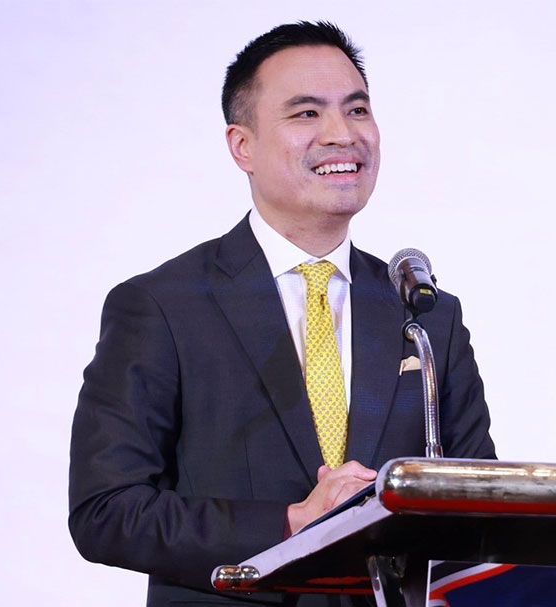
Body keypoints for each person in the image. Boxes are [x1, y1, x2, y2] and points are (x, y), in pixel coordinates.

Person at [68, 21, 496, 607]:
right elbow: (106, 511)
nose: (342, 134)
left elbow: (477, 508)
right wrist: (293, 523)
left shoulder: (425, 316)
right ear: (242, 145)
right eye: (307, 113)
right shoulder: (164, 307)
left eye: (357, 110)